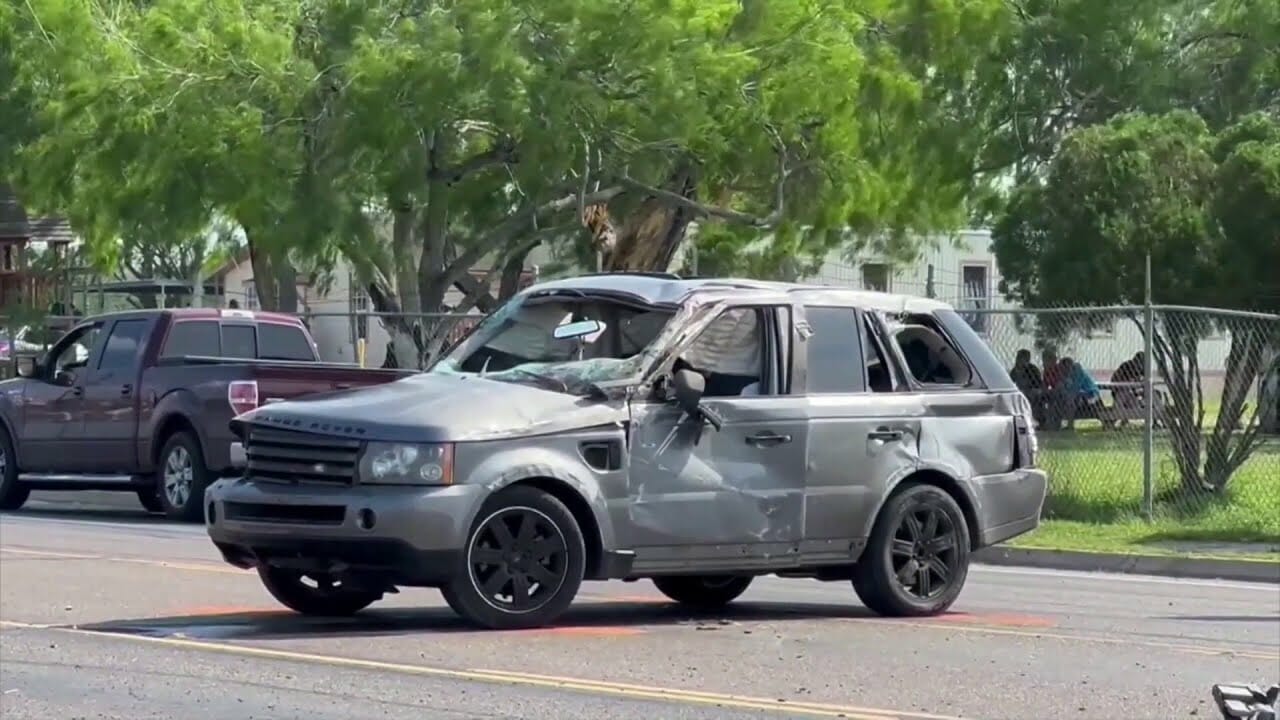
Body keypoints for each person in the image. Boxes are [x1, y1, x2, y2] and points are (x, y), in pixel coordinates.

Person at [1059, 357, 1102, 429]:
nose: (1065, 371)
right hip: (1077, 395)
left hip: (1090, 393)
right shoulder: (1067, 375)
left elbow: (1076, 387)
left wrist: (1069, 395)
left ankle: (1070, 424)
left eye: (1067, 368)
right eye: (1063, 369)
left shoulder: (1078, 373)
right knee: (1068, 398)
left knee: (1073, 398)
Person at [1010, 349, 1045, 424]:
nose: (1021, 360)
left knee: (1033, 395)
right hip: (1021, 390)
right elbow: (1011, 382)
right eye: (1020, 357)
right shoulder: (1015, 370)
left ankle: (1036, 418)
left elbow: (1038, 383)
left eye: (1025, 358)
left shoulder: (1032, 368)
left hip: (1033, 389)